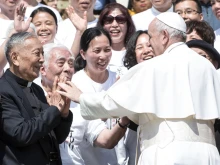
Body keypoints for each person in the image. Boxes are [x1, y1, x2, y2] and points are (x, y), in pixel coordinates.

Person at [57, 12, 220, 164]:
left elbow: (113, 102)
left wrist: (81, 97)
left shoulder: (152, 67)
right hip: (208, 155)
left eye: (151, 37)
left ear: (164, 36)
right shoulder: (208, 67)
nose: (149, 44)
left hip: (166, 152)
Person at [0, 32, 73, 165]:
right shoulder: (3, 90)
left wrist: (63, 114)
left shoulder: (36, 89)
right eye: (36, 53)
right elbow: (20, 134)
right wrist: (53, 110)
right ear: (15, 58)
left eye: (42, 54)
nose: (41, 59)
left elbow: (57, 137)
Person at [67, 27, 130, 165]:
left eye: (107, 50)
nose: (103, 56)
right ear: (83, 54)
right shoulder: (76, 84)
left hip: (121, 159)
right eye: (97, 51)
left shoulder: (120, 77)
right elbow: (87, 125)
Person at [97, 3, 136, 77]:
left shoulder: (137, 52)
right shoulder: (95, 53)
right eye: (108, 20)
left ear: (128, 24)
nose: (114, 25)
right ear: (102, 25)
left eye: (120, 19)